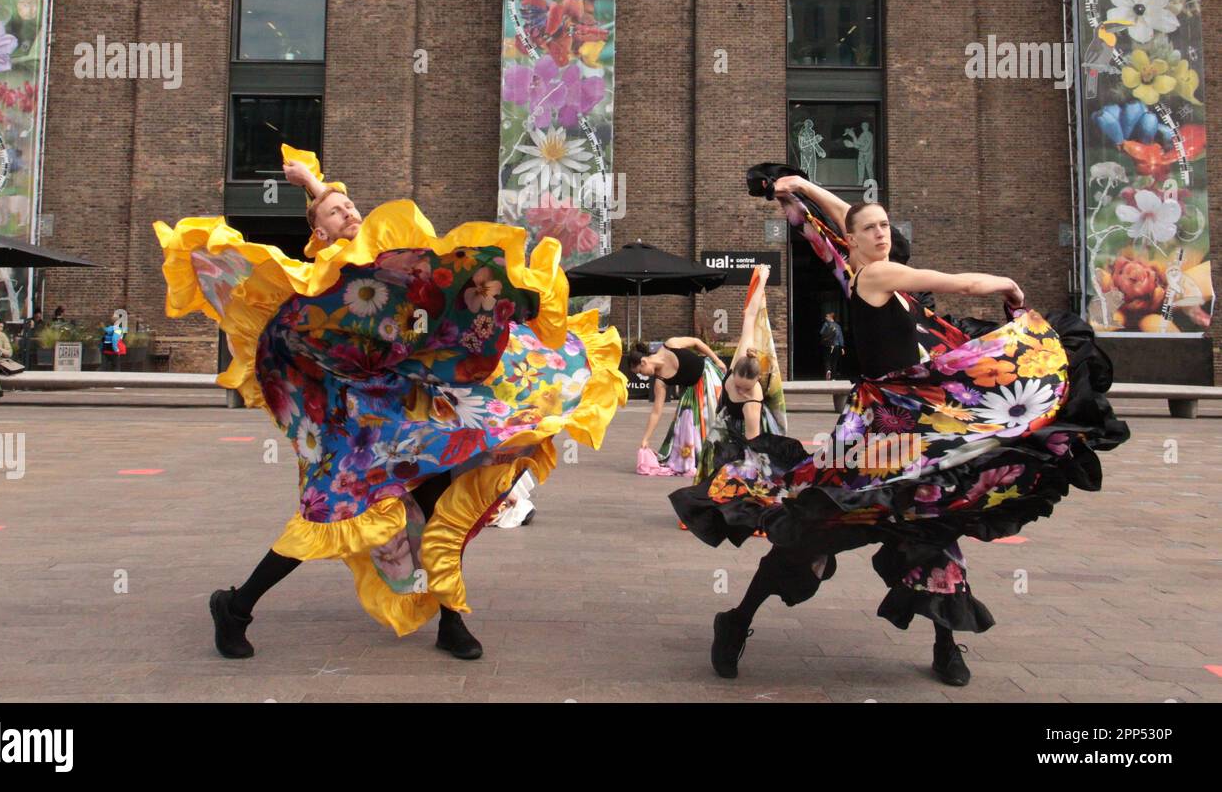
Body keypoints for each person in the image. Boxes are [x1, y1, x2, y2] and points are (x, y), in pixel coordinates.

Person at [154, 145, 625, 662]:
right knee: (327, 514)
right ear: (321, 233)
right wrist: (313, 189)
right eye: (337, 213)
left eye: (351, 206)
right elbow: (316, 315)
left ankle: (451, 618)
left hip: (413, 409)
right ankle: (236, 606)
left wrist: (510, 300)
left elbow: (437, 297)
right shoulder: (325, 282)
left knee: (443, 502)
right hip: (351, 425)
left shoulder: (390, 269)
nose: (350, 213)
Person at [673, 167, 1128, 687]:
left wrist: (801, 185)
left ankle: (944, 644)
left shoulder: (865, 265)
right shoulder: (873, 276)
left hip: (912, 425)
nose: (880, 232)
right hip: (876, 434)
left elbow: (849, 216)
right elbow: (957, 283)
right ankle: (735, 622)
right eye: (871, 230)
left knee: (930, 522)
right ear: (856, 242)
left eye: (885, 225)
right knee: (816, 530)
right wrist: (1004, 284)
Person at [629, 336, 726, 477]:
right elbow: (656, 412)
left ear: (644, 362)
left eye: (639, 372)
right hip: (692, 392)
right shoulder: (659, 383)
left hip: (709, 377)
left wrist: (717, 360)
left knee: (719, 417)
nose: (642, 375)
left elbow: (696, 342)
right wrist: (646, 438)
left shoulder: (670, 345)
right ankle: (707, 456)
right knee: (688, 425)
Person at [819, 311, 844, 379]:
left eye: (826, 317)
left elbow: (821, 332)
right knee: (834, 361)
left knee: (827, 359)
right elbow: (840, 337)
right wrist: (842, 347)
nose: (825, 318)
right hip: (836, 345)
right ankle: (833, 377)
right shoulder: (838, 326)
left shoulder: (826, 324)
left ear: (830, 317)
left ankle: (828, 370)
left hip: (827, 345)